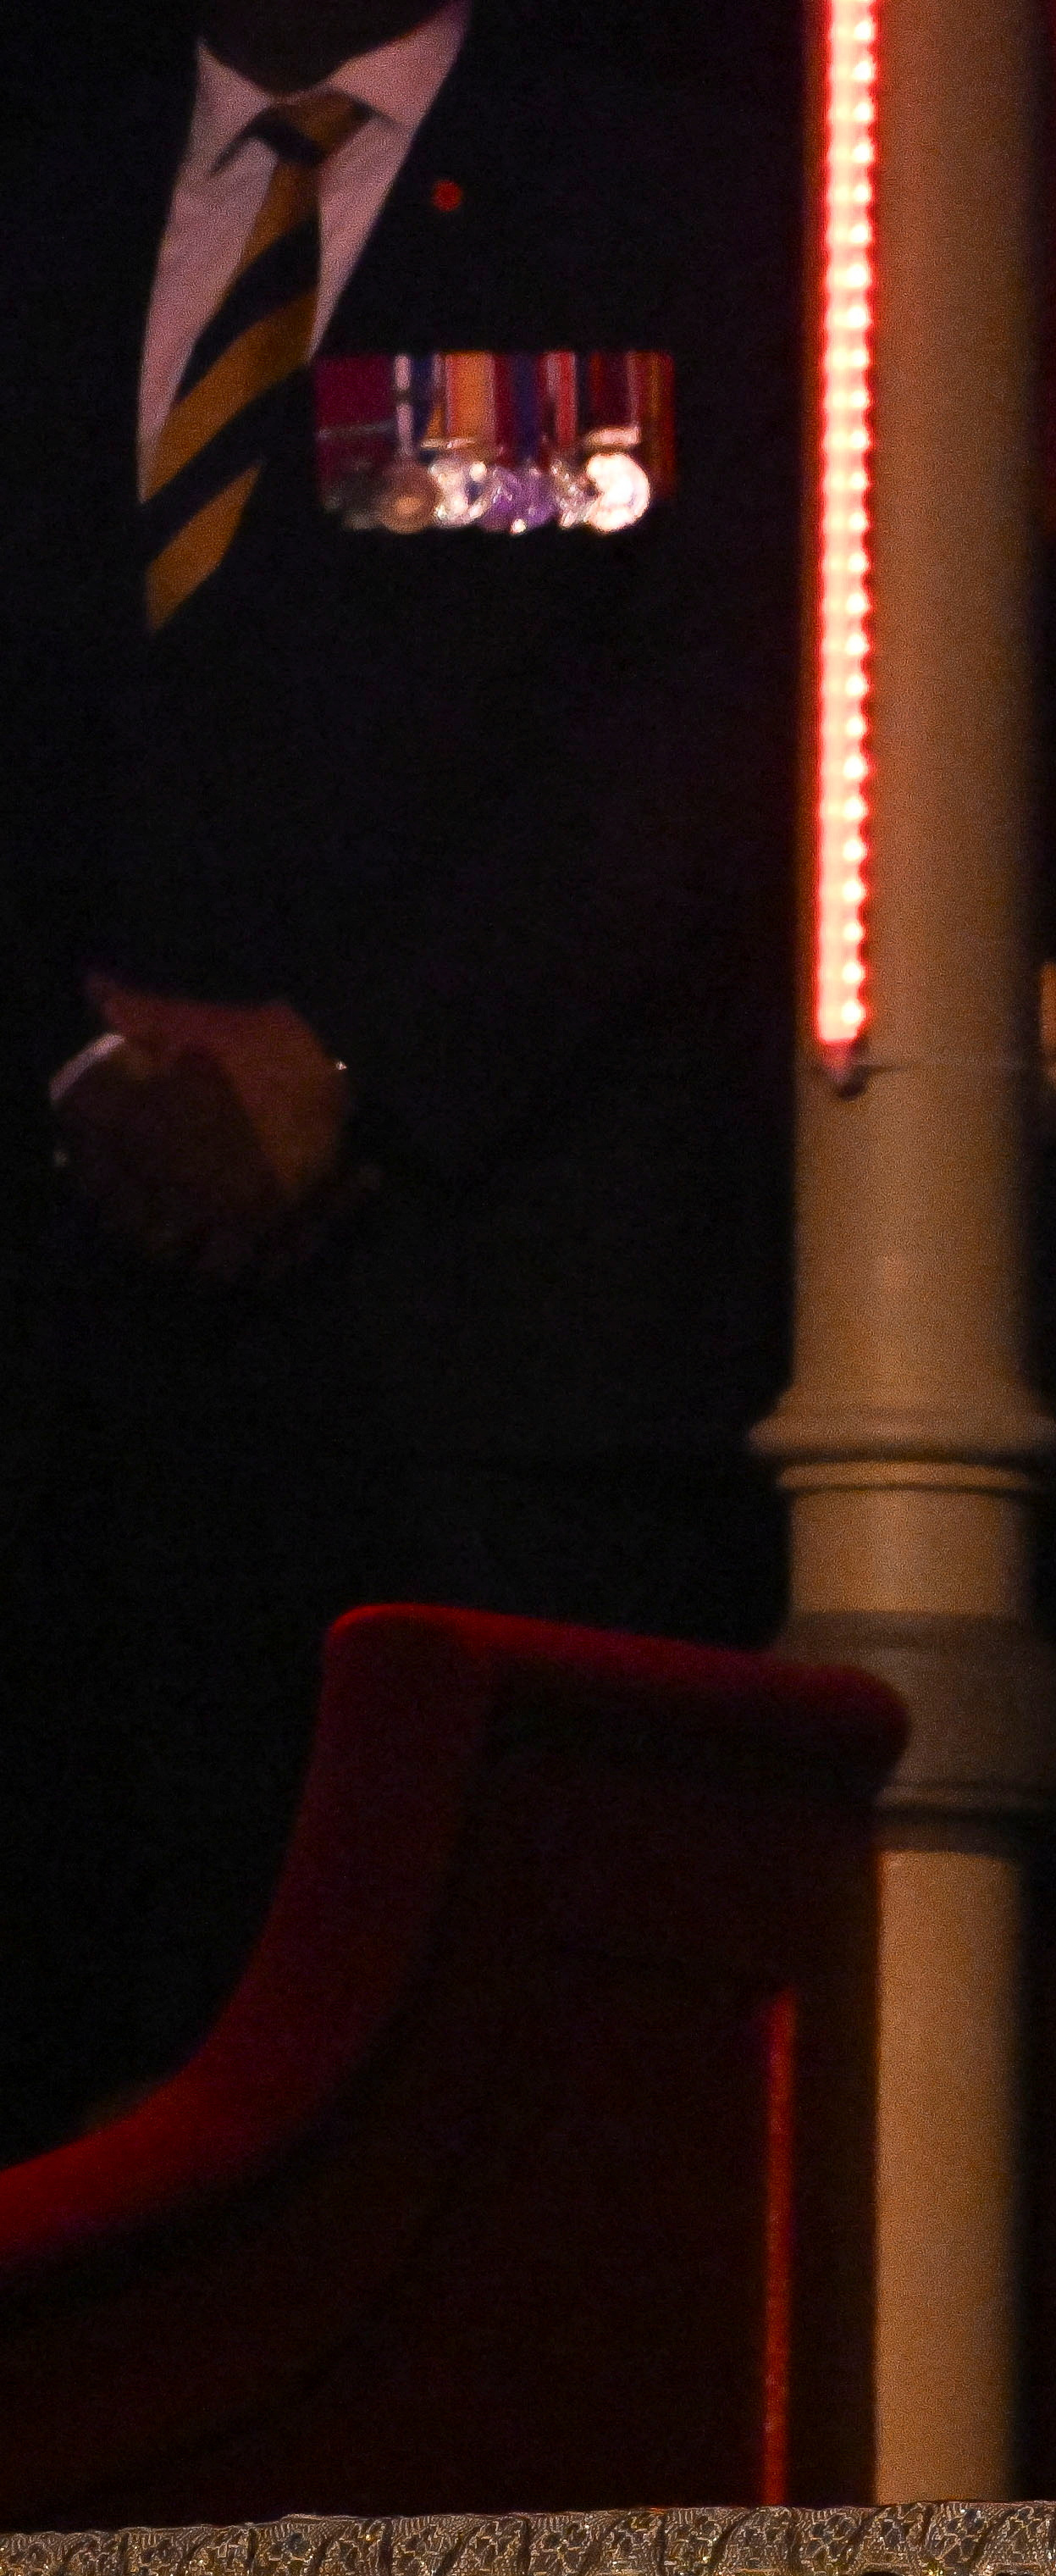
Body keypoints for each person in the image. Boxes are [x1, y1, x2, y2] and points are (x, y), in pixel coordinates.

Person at [0, 0, 792, 2158]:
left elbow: (702, 704)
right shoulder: (45, 170)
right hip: (68, 1374)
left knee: (486, 2139)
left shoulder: (660, 192)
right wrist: (78, 1055)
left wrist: (355, 1063)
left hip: (492, 1358)